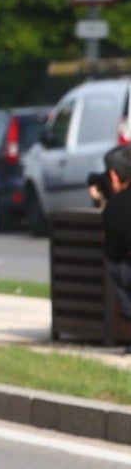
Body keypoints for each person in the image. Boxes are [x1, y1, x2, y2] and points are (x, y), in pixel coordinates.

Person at [97, 144, 131, 347]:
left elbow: (112, 252)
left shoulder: (116, 207)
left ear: (114, 176)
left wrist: (102, 203)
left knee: (117, 267)